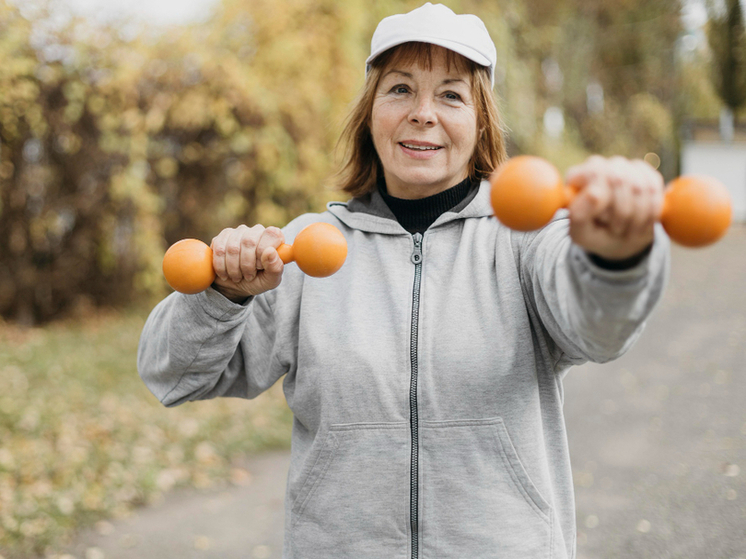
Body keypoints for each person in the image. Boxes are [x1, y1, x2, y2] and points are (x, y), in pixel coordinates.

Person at [138, 3, 670, 558]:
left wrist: (616, 257)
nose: (422, 113)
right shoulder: (299, 250)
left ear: (480, 121)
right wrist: (223, 295)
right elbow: (171, 374)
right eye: (400, 90)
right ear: (370, 113)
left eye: (450, 95)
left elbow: (600, 330)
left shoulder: (525, 239)